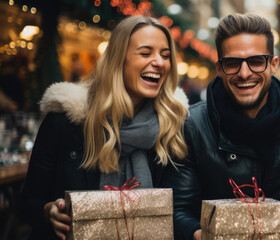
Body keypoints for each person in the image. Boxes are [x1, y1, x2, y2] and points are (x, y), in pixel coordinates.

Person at [21, 15, 189, 240]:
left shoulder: (172, 126)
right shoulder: (65, 121)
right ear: (119, 60)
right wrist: (49, 211)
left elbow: (179, 211)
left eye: (165, 55)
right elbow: (27, 203)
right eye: (146, 53)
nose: (159, 62)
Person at [162, 13, 280, 240]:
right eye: (233, 63)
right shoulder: (191, 126)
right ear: (220, 68)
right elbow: (179, 210)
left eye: (255, 61)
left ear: (273, 65)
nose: (244, 74)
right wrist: (203, 235)